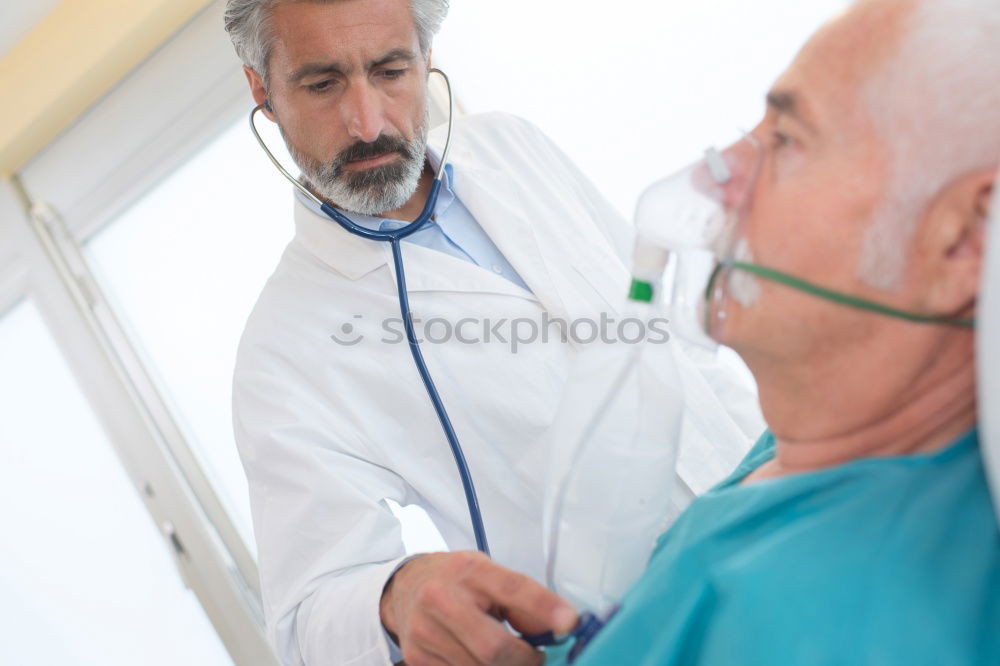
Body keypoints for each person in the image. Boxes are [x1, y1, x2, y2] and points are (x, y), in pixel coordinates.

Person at [223, 1, 763, 664]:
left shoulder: (514, 147)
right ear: (262, 89)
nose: (367, 122)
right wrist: (395, 595)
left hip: (777, 519)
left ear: (428, 58)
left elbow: (670, 341)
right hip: (639, 640)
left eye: (391, 70)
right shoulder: (284, 351)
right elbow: (308, 613)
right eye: (322, 83)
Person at [552, 0, 1000, 663]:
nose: (715, 175)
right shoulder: (829, 430)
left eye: (787, 139)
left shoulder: (842, 631)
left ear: (963, 239)